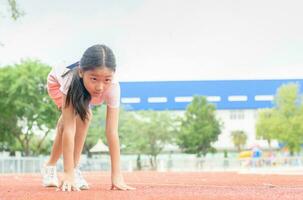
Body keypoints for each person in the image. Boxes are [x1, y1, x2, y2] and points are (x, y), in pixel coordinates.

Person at [41, 44, 135, 192]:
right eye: (94, 79)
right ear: (81, 72)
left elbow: (112, 132)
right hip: (57, 83)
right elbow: (70, 129)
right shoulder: (69, 80)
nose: (100, 87)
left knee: (82, 116)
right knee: (76, 118)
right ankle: (53, 167)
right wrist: (67, 173)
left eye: (106, 80)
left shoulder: (114, 87)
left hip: (81, 89)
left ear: (113, 75)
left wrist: (117, 176)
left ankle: (73, 167)